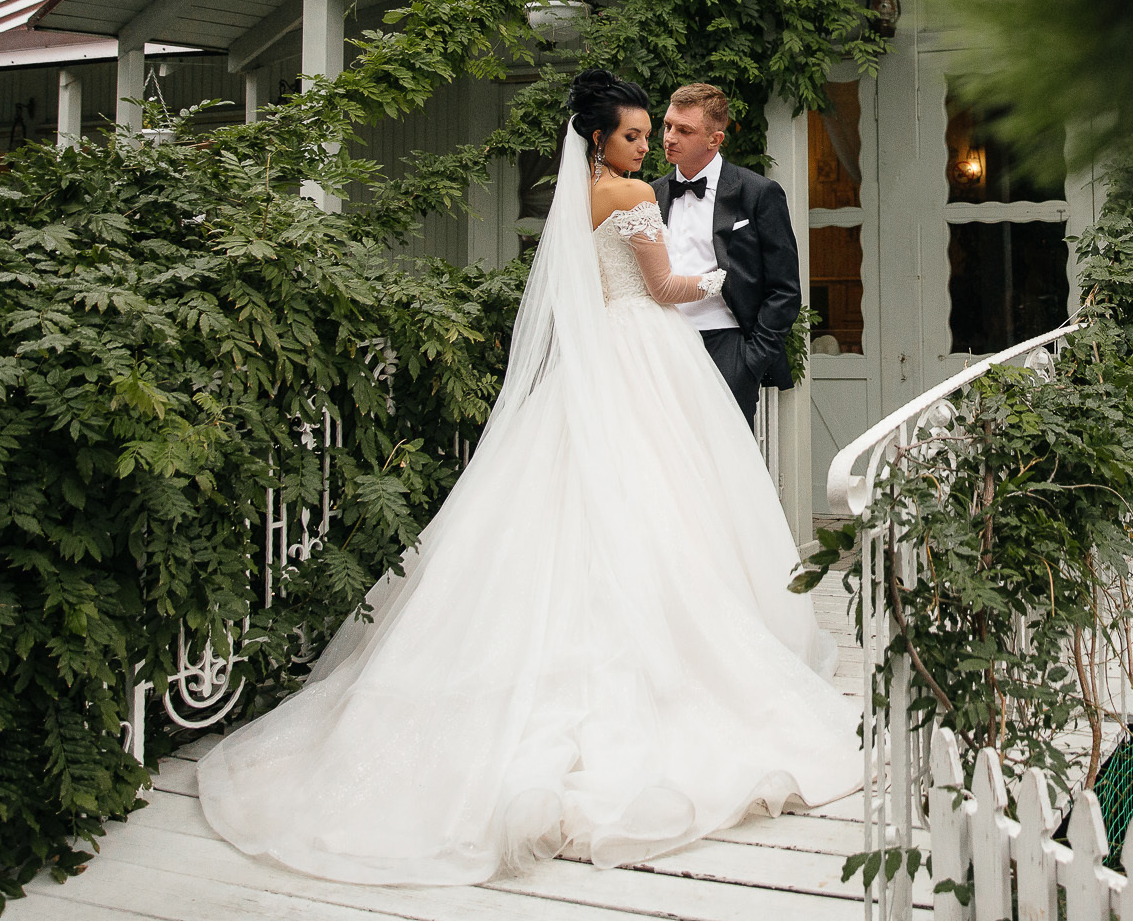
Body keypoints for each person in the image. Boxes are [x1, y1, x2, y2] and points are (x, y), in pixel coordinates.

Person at [196, 71, 861, 885]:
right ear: (600, 139)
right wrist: (716, 282)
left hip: (595, 369)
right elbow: (662, 288)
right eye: (636, 136)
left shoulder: (576, 202)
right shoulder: (630, 198)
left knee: (569, 503)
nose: (649, 146)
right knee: (663, 505)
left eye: (657, 134)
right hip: (649, 358)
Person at [652, 82, 802, 429]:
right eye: (668, 125)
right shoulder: (652, 193)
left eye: (684, 130)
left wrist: (750, 361)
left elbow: (785, 289)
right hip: (660, 347)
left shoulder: (758, 193)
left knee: (725, 470)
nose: (670, 137)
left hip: (727, 346)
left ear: (714, 139)